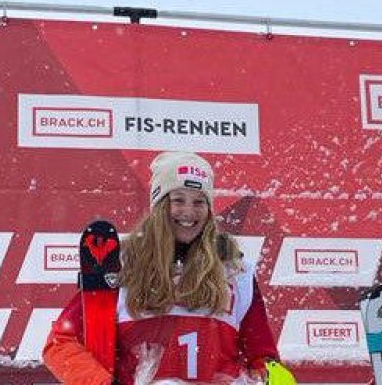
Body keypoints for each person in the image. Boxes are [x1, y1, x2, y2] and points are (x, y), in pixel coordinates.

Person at [43, 151, 294, 384]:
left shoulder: (235, 271)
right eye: (178, 200)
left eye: (199, 202)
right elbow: (61, 342)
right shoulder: (122, 267)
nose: (189, 212)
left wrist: (273, 375)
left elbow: (261, 356)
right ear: (159, 205)